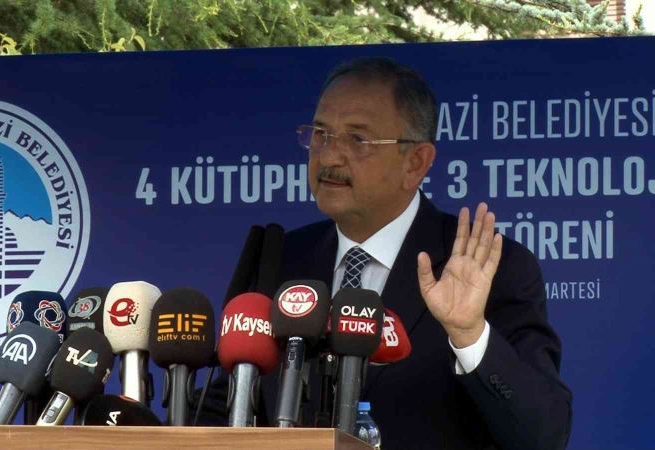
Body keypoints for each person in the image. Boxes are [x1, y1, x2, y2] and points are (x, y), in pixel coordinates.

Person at [201, 57, 573, 450]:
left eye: (356, 140)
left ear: (416, 162)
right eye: (321, 134)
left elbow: (544, 434)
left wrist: (469, 335)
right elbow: (223, 410)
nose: (328, 157)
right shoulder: (279, 260)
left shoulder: (490, 269)